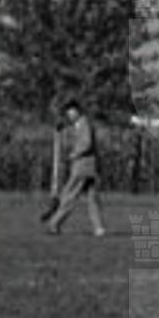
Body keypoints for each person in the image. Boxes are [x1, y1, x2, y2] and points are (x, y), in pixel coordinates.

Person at [44, 98, 106, 237]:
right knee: (92, 199)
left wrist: (74, 154)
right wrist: (60, 131)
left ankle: (54, 224)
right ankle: (99, 228)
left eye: (71, 112)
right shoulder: (79, 125)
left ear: (77, 111)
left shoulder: (84, 123)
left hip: (83, 166)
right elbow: (69, 135)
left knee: (69, 195)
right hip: (91, 167)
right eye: (68, 113)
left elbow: (86, 143)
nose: (69, 115)